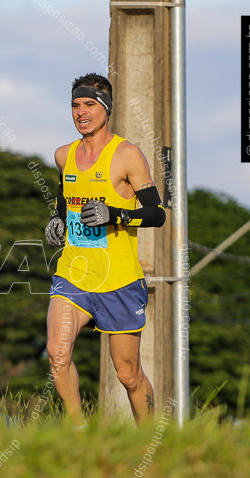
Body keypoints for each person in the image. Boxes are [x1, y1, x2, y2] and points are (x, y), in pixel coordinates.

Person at [43, 73, 166, 425]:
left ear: (106, 108)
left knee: (127, 374)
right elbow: (63, 204)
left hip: (120, 281)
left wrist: (115, 215)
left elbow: (156, 214)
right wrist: (57, 223)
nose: (81, 112)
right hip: (74, 274)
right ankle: (79, 433)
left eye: (89, 105)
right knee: (57, 353)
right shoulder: (63, 155)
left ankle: (151, 443)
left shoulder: (126, 155)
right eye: (76, 105)